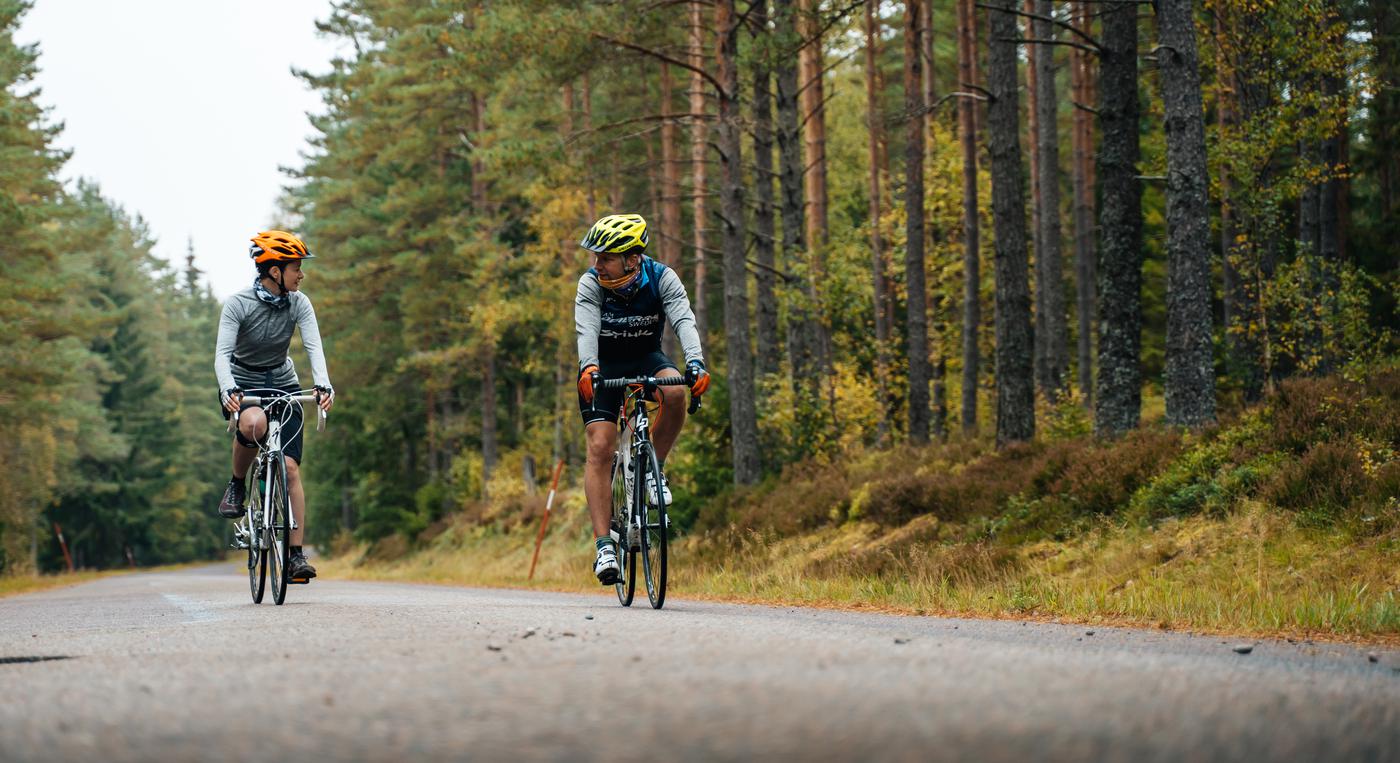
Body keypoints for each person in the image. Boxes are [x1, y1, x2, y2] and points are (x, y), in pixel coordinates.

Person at [574, 214, 710, 585]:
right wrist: (589, 367)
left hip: (646, 359)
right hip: (602, 367)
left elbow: (683, 320)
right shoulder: (591, 284)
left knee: (675, 391)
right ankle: (604, 545)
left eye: (606, 257)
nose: (596, 264)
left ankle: (651, 469)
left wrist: (695, 362)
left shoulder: (662, 277)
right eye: (596, 257)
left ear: (632, 258)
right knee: (601, 447)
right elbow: (586, 329)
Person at [214, 230, 334, 582]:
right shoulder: (238, 304)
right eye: (296, 267)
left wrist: (323, 383)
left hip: (283, 383)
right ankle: (237, 483)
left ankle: (295, 556)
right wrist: (228, 389)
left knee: (291, 469)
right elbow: (221, 355)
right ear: (275, 271)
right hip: (243, 382)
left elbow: (314, 347)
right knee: (253, 425)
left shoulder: (300, 302)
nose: (302, 274)